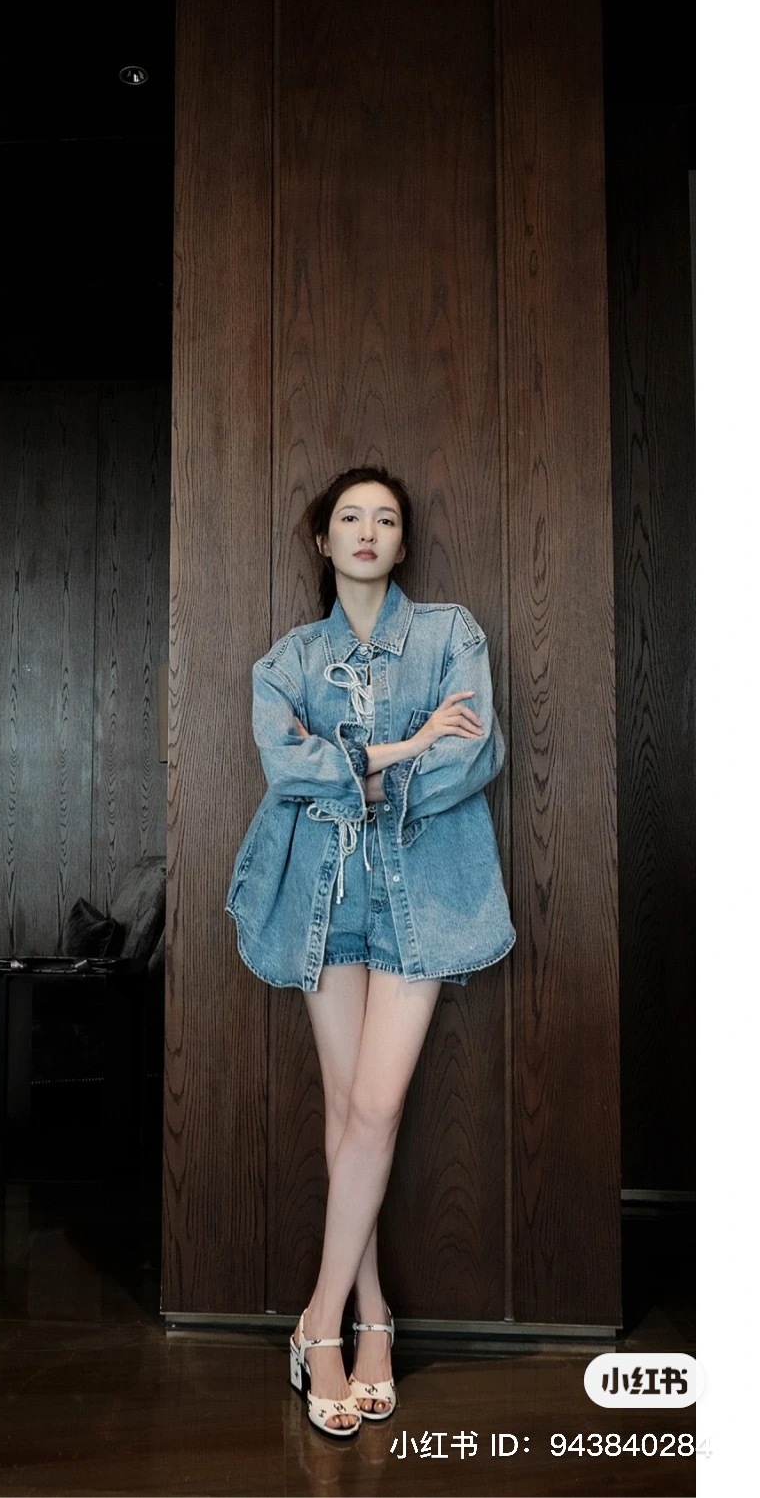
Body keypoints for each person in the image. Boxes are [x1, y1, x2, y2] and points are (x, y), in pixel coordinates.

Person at [225, 464, 515, 1438]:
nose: (366, 531)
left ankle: (319, 1322)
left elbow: (471, 753)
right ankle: (372, 1317)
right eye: (348, 517)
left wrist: (350, 772)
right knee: (347, 1108)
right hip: (323, 893)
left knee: (377, 1107)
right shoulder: (287, 660)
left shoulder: (449, 634)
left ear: (401, 542)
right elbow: (284, 763)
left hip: (420, 892)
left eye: (384, 519)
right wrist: (395, 749)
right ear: (323, 540)